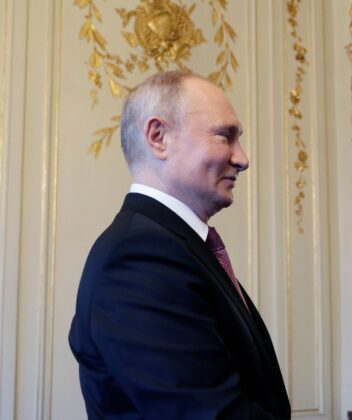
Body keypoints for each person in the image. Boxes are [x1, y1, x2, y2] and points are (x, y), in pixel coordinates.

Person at [69, 71, 291, 419]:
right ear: (159, 137)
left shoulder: (173, 245)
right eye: (225, 136)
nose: (242, 158)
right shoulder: (139, 259)